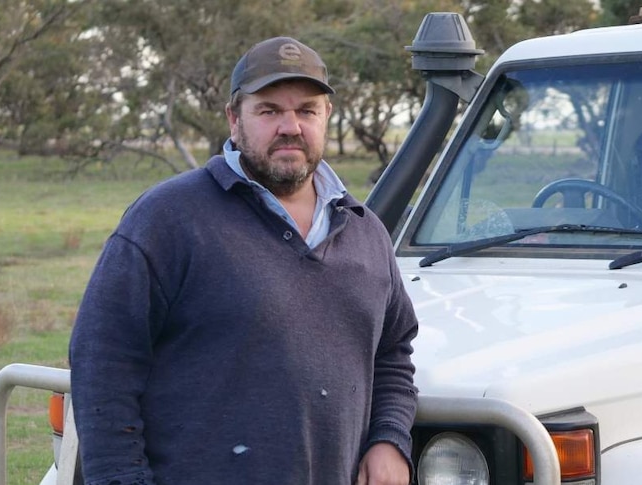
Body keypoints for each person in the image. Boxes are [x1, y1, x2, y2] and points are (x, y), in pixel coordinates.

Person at [69, 36, 419, 485]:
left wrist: (389, 439)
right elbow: (104, 358)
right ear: (235, 119)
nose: (290, 126)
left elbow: (392, 353)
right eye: (269, 110)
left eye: (307, 110)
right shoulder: (167, 219)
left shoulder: (364, 230)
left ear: (326, 116)